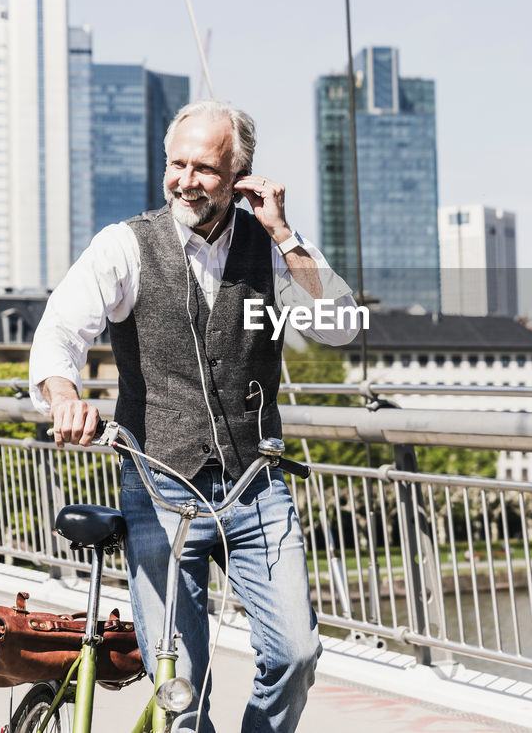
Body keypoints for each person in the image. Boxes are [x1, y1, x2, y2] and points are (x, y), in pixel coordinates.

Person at [30, 99, 361, 732]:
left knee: (296, 654)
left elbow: (340, 327)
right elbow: (60, 332)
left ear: (240, 173)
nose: (185, 180)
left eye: (204, 168)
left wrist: (285, 234)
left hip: (253, 485)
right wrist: (64, 395)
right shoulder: (125, 245)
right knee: (180, 688)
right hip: (160, 485)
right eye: (175, 164)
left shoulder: (274, 248)